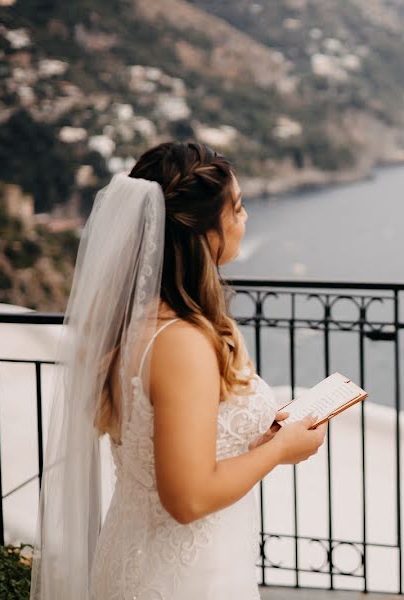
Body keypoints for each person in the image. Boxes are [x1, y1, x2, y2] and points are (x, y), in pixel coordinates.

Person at [30, 141, 327, 599]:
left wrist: (258, 438)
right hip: (181, 579)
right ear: (205, 233)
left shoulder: (131, 321)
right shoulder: (181, 342)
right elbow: (186, 499)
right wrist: (280, 450)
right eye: (239, 209)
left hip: (139, 555)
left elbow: (171, 441)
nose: (246, 220)